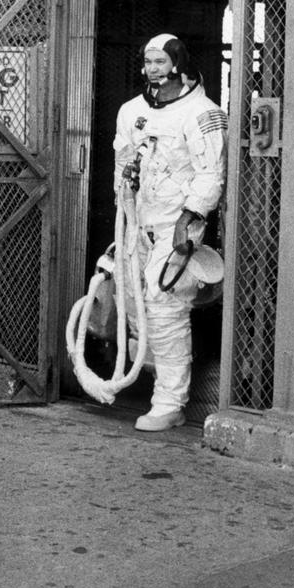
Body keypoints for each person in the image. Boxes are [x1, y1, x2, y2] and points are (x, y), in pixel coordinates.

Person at [112, 33, 228, 431]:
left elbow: (211, 173)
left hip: (178, 223)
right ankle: (146, 372)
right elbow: (123, 161)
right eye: (148, 62)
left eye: (160, 62)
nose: (152, 69)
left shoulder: (202, 113)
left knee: (164, 302)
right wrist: (124, 213)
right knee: (130, 297)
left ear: (176, 63)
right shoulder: (131, 112)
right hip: (138, 219)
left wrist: (188, 219)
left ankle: (170, 402)